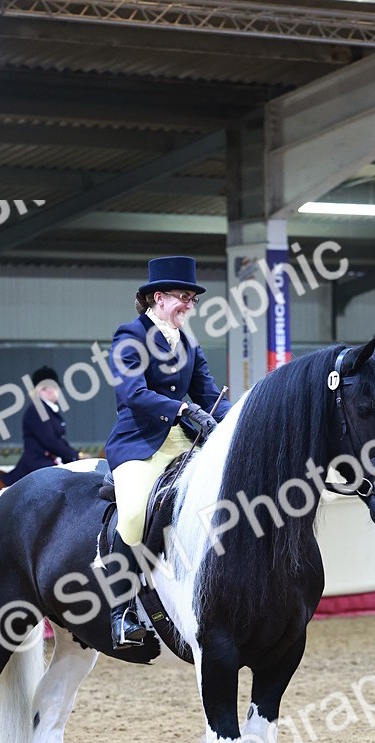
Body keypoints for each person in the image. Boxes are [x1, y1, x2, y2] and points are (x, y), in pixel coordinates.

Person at [104, 255, 231, 649]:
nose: (189, 306)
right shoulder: (129, 336)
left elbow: (210, 395)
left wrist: (239, 423)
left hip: (184, 442)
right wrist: (179, 409)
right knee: (135, 513)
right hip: (139, 444)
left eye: (192, 299)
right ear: (158, 298)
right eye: (183, 297)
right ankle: (121, 611)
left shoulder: (189, 343)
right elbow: (132, 393)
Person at [10, 366, 83, 483]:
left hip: (50, 462)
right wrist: (77, 455)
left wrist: (76, 456)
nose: (53, 391)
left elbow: (60, 441)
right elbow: (50, 441)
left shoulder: (48, 410)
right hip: (38, 464)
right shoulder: (39, 409)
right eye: (45, 388)